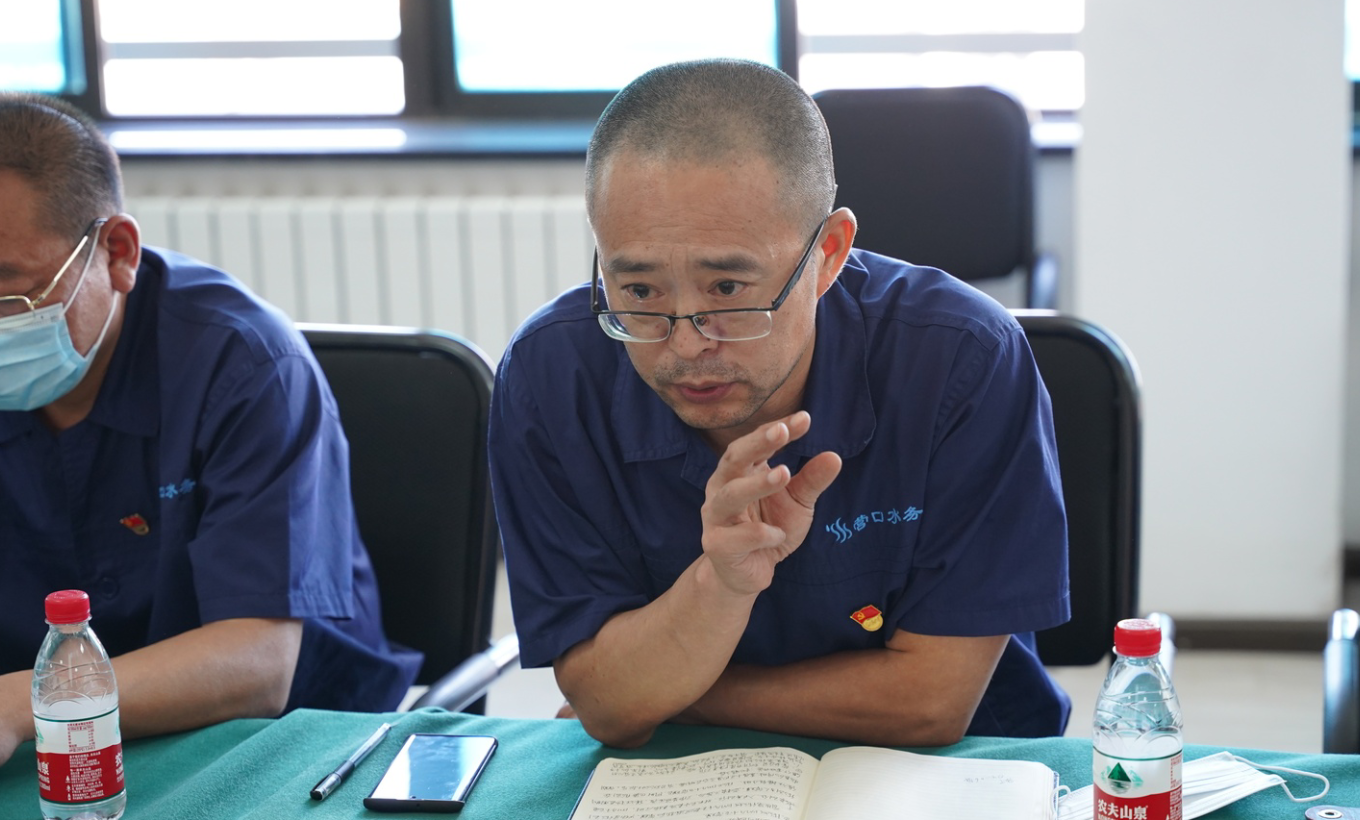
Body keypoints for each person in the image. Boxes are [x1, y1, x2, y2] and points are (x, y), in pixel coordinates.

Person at [489, 59, 1072, 750]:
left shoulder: (960, 358)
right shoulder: (551, 378)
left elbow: (931, 704)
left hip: (947, 766)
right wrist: (720, 586)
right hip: (677, 777)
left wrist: (673, 697)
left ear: (828, 255)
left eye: (728, 290)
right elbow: (604, 697)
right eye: (640, 292)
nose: (686, 344)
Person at [0, 93, 420, 767]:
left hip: (278, 746)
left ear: (116, 253)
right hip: (48, 749)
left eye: (9, 292)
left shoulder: (244, 363)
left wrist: (28, 701)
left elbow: (259, 662)